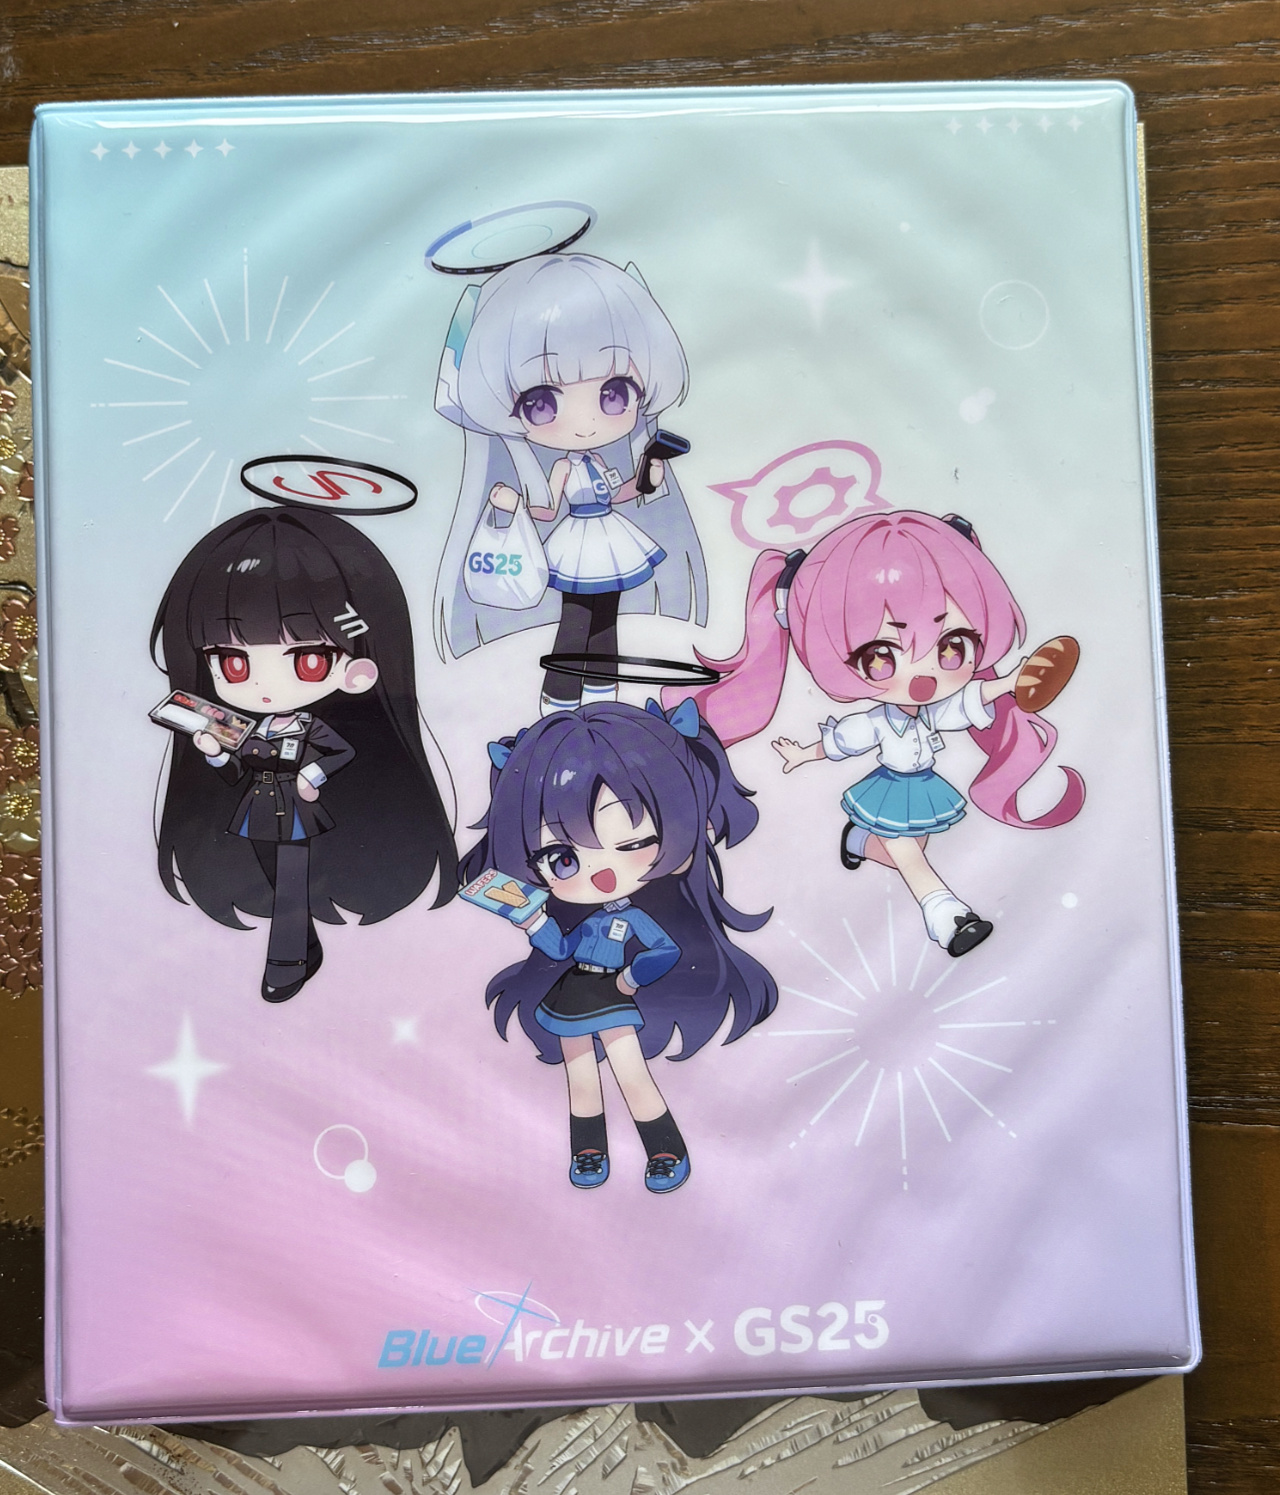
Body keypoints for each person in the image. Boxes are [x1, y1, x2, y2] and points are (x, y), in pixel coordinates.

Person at [668, 510, 1084, 956]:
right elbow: (847, 739)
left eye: (951, 647)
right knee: (908, 852)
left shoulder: (935, 710)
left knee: (909, 846)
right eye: (881, 657)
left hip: (923, 787)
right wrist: (804, 753)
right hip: (889, 790)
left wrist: (1012, 682)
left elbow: (967, 702)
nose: (922, 674)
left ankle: (859, 841)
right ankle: (946, 914)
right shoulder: (878, 720)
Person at [461, 700, 776, 1191]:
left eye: (633, 845)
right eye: (563, 858)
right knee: (580, 1076)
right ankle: (588, 1152)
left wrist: (630, 978)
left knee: (631, 1073)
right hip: (571, 992)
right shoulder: (588, 921)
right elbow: (561, 949)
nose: (601, 874)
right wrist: (533, 922)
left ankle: (665, 1151)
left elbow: (664, 951)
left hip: (611, 994)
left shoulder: (633, 918)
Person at [152, 507, 457, 1001]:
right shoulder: (251, 727)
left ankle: (287, 960)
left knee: (291, 882)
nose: (265, 686)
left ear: (355, 667)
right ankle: (306, 944)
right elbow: (237, 772)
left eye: (308, 660)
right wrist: (214, 753)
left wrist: (312, 774)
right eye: (232, 662)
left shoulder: (312, 726)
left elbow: (340, 751)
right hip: (256, 812)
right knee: (275, 878)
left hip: (297, 813)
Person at [433, 252, 707, 713]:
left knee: (606, 622)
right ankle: (559, 698)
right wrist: (511, 507)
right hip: (578, 544)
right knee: (575, 622)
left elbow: (620, 493)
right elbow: (547, 510)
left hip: (610, 538)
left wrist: (648, 477)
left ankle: (602, 695)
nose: (586, 423)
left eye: (614, 394)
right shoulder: (564, 467)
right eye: (542, 403)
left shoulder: (597, 460)